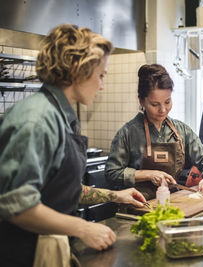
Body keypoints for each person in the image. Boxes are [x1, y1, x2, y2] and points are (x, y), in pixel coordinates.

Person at [0, 24, 147, 267]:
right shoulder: (37, 120)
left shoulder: (62, 116)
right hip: (23, 255)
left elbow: (61, 190)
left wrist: (116, 195)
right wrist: (82, 228)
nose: (102, 86)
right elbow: (17, 205)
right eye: (100, 75)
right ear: (78, 70)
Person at [105, 64, 203, 199]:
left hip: (173, 202)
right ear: (141, 101)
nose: (163, 110)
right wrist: (148, 174)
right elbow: (111, 173)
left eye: (167, 102)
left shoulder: (181, 130)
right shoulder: (128, 133)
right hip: (139, 205)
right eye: (155, 104)